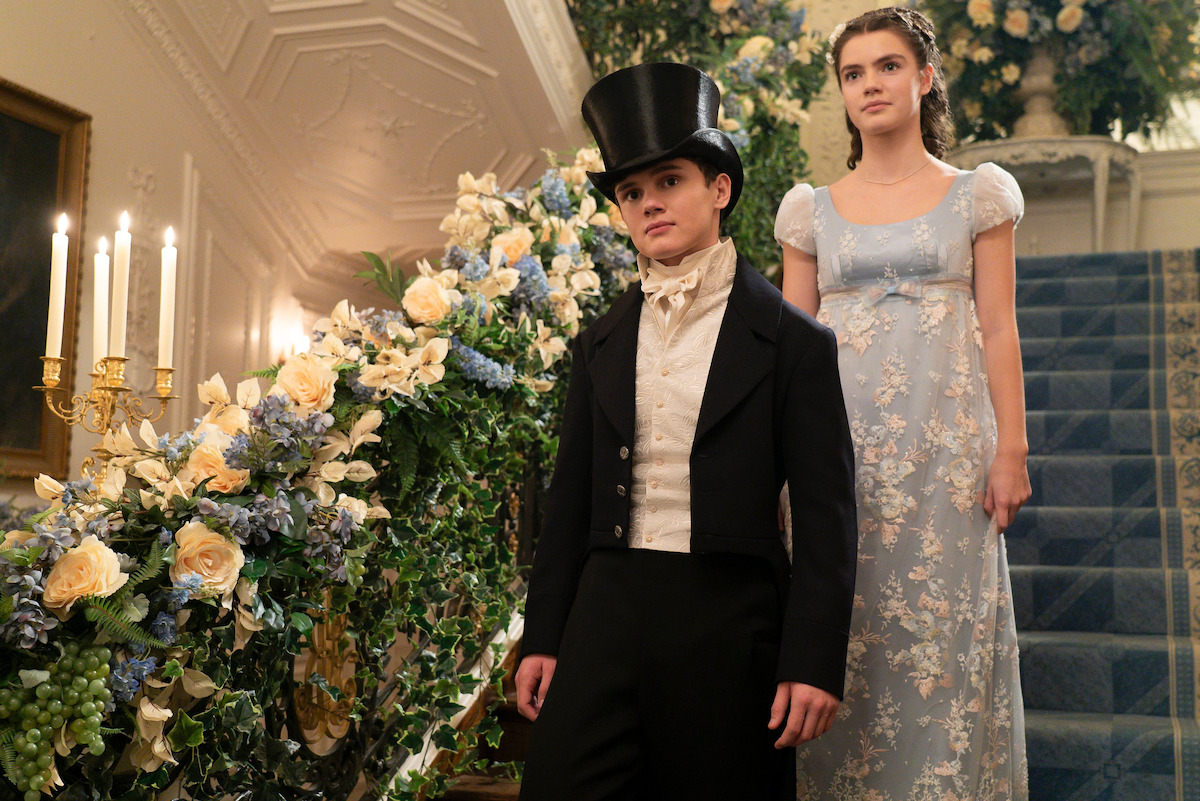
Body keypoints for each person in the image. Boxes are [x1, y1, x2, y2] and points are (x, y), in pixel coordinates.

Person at [515, 62, 858, 801]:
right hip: (605, 610)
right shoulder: (599, 341)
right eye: (631, 192)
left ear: (720, 189)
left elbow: (827, 516)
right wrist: (543, 634)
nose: (649, 203)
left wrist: (813, 658)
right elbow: (568, 501)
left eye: (669, 181)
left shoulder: (795, 342)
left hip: (728, 620)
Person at [774, 6, 1030, 799]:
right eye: (853, 73)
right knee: (846, 639)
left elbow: (999, 328)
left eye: (887, 66)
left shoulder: (978, 196)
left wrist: (1011, 449)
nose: (870, 84)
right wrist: (779, 470)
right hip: (838, 460)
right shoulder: (808, 211)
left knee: (943, 644)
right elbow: (789, 350)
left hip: (948, 458)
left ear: (924, 78)